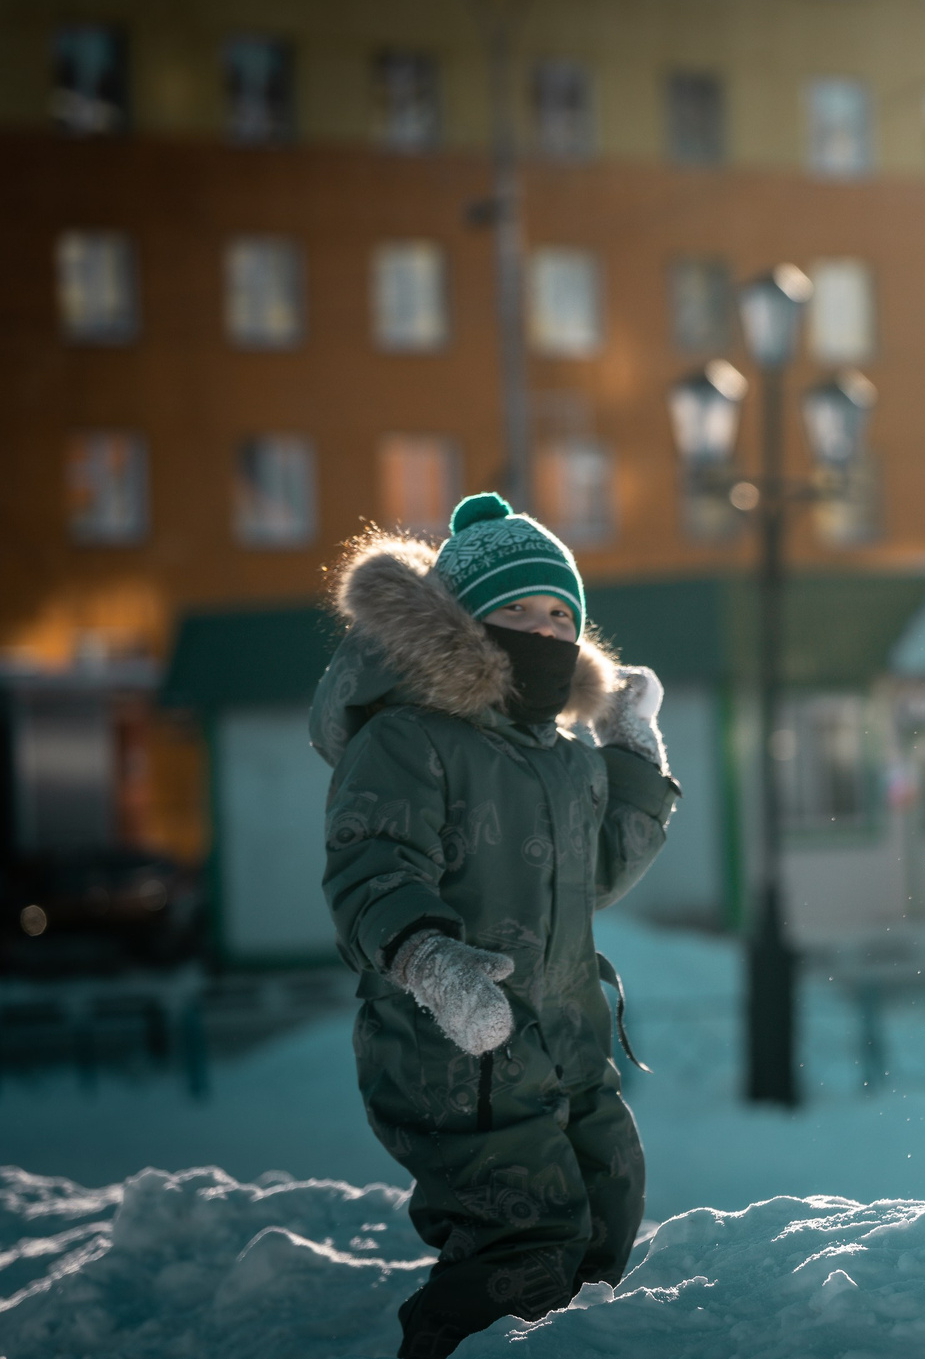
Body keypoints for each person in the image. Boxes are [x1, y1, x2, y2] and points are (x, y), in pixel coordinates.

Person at [309, 493, 678, 1359]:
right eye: (517, 610)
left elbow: (596, 876)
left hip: (569, 1044)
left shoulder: (561, 757)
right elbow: (372, 867)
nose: (544, 631)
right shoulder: (409, 739)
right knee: (524, 1246)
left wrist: (630, 751)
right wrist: (434, 962)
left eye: (561, 614)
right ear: (462, 622)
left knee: (606, 1214)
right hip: (454, 1058)